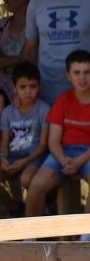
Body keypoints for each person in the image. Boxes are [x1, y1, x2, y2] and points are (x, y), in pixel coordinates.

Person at [26, 50, 90, 218]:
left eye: (87, 72)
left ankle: (86, 235)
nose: (82, 78)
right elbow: (53, 140)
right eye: (77, 73)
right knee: (37, 183)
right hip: (64, 152)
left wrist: (79, 161)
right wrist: (63, 160)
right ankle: (29, 236)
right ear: (68, 76)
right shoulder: (63, 101)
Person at [0, 63, 48, 216]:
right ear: (14, 88)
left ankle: (34, 215)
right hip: (13, 157)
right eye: (23, 87)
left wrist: (24, 162)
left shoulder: (44, 109)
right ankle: (14, 208)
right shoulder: (8, 112)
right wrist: (3, 159)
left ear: (39, 87)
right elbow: (4, 143)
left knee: (26, 179)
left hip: (34, 157)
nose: (28, 91)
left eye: (32, 86)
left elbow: (43, 145)